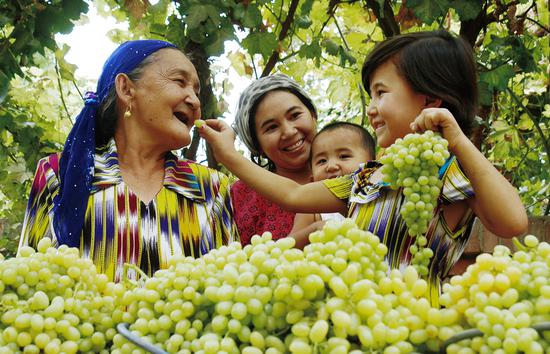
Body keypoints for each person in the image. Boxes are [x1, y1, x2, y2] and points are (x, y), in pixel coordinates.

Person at [196, 30, 528, 303]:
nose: (371, 109)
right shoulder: (368, 177)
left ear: (430, 100)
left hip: (410, 329)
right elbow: (294, 195)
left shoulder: (447, 173)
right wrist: (230, 157)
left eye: (380, 93)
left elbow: (512, 221)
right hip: (350, 322)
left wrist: (457, 140)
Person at [19, 40, 239, 282]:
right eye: (179, 81)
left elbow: (225, 292)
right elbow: (31, 288)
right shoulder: (57, 174)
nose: (196, 102)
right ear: (126, 88)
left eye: (196, 92)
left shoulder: (211, 187)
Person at [231, 74, 322, 248]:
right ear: (257, 146)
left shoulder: (353, 166)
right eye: (271, 127)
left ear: (312, 115)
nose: (288, 132)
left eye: (295, 115)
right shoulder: (243, 195)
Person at [291, 121, 375, 232]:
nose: (331, 166)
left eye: (344, 156)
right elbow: (291, 243)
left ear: (373, 165)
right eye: (322, 161)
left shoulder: (382, 199)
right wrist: (312, 230)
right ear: (312, 180)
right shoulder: (312, 210)